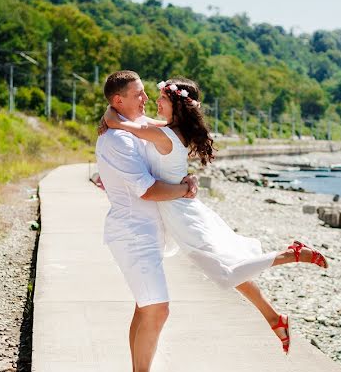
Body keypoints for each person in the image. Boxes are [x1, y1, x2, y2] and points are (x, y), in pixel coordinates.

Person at [101, 76, 327, 357]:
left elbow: (117, 122)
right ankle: (273, 317)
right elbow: (132, 129)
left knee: (226, 273)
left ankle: (290, 254)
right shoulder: (169, 129)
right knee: (230, 262)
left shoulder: (163, 134)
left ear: (176, 105)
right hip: (181, 210)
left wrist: (111, 111)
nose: (153, 101)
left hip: (180, 214)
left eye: (161, 98)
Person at [95, 70, 198, 372]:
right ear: (117, 100)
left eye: (144, 93)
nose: (144, 100)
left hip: (146, 231)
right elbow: (148, 189)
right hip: (132, 234)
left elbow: (153, 126)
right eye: (137, 95)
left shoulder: (130, 127)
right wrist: (185, 189)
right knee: (158, 308)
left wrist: (110, 118)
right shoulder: (118, 141)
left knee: (144, 307)